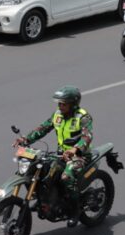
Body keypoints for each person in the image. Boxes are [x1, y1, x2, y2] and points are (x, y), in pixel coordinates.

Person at [14, 86, 93, 227]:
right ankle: (42, 199)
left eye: (64, 104)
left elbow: (87, 137)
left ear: (73, 103)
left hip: (80, 156)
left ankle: (76, 210)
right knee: (35, 170)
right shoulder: (57, 115)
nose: (60, 106)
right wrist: (25, 140)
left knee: (66, 177)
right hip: (60, 154)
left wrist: (75, 149)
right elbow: (42, 129)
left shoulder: (83, 117)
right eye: (59, 103)